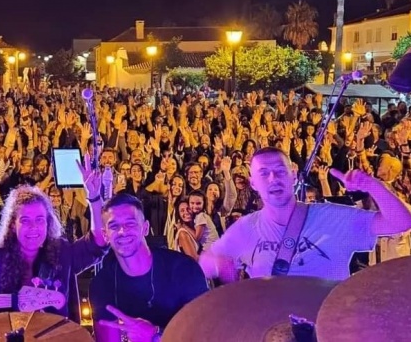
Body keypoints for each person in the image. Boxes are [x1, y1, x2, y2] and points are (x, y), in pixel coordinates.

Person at [0, 155, 109, 329]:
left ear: (48, 223)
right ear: (13, 225)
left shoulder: (62, 253)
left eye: (39, 220)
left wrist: (95, 198)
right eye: (25, 220)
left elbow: (97, 242)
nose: (33, 227)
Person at [199, 147, 411, 283]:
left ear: (293, 174)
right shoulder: (246, 227)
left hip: (326, 328)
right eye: (264, 173)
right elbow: (206, 261)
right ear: (253, 183)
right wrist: (218, 264)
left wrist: (372, 185)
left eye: (280, 171)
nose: (273, 178)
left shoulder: (332, 217)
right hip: (272, 328)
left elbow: (401, 222)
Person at [90, 193, 209, 342]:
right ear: (105, 235)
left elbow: (206, 333)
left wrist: (157, 335)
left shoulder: (184, 269)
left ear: (145, 228)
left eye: (130, 223)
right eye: (114, 226)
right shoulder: (102, 284)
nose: (122, 231)